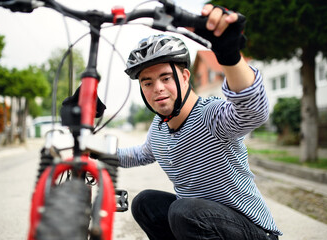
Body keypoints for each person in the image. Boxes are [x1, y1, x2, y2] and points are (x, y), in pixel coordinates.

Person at [117, 4, 282, 240]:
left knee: (184, 212)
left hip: (253, 231)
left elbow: (252, 112)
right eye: (148, 82)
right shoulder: (159, 128)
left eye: (165, 77)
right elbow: (139, 154)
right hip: (204, 222)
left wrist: (229, 55)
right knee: (145, 203)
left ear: (184, 77)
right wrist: (88, 151)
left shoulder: (210, 115)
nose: (158, 88)